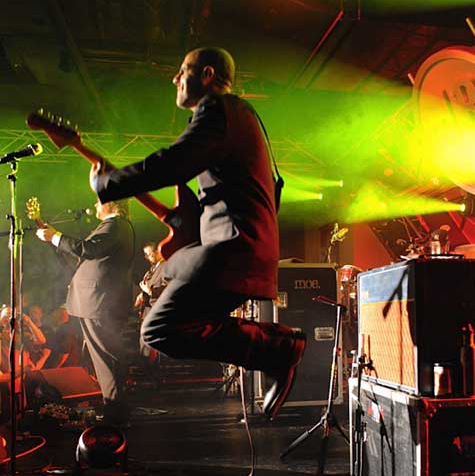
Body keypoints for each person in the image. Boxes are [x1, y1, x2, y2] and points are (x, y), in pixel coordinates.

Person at [89, 47, 306, 419]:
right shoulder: (241, 116)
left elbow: (174, 163)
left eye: (182, 70)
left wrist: (107, 184)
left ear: (207, 75)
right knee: (173, 298)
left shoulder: (217, 110)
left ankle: (278, 347)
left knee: (159, 329)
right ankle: (275, 347)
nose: (174, 78)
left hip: (234, 250)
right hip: (243, 249)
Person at [35, 198, 135, 425]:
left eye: (100, 202)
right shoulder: (116, 227)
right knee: (105, 359)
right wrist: (53, 237)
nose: (96, 205)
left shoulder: (115, 225)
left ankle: (116, 415)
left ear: (112, 204)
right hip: (99, 302)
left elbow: (87, 249)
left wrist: (56, 236)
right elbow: (84, 255)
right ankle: (115, 411)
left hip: (100, 303)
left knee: (105, 359)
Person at [134, 241, 167, 384]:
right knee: (145, 346)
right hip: (147, 311)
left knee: (149, 346)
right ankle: (152, 377)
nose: (147, 257)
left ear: (158, 252)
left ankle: (156, 378)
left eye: (149, 254)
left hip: (156, 312)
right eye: (146, 255)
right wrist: (142, 295)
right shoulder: (152, 269)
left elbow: (169, 288)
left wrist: (150, 291)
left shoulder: (166, 266)